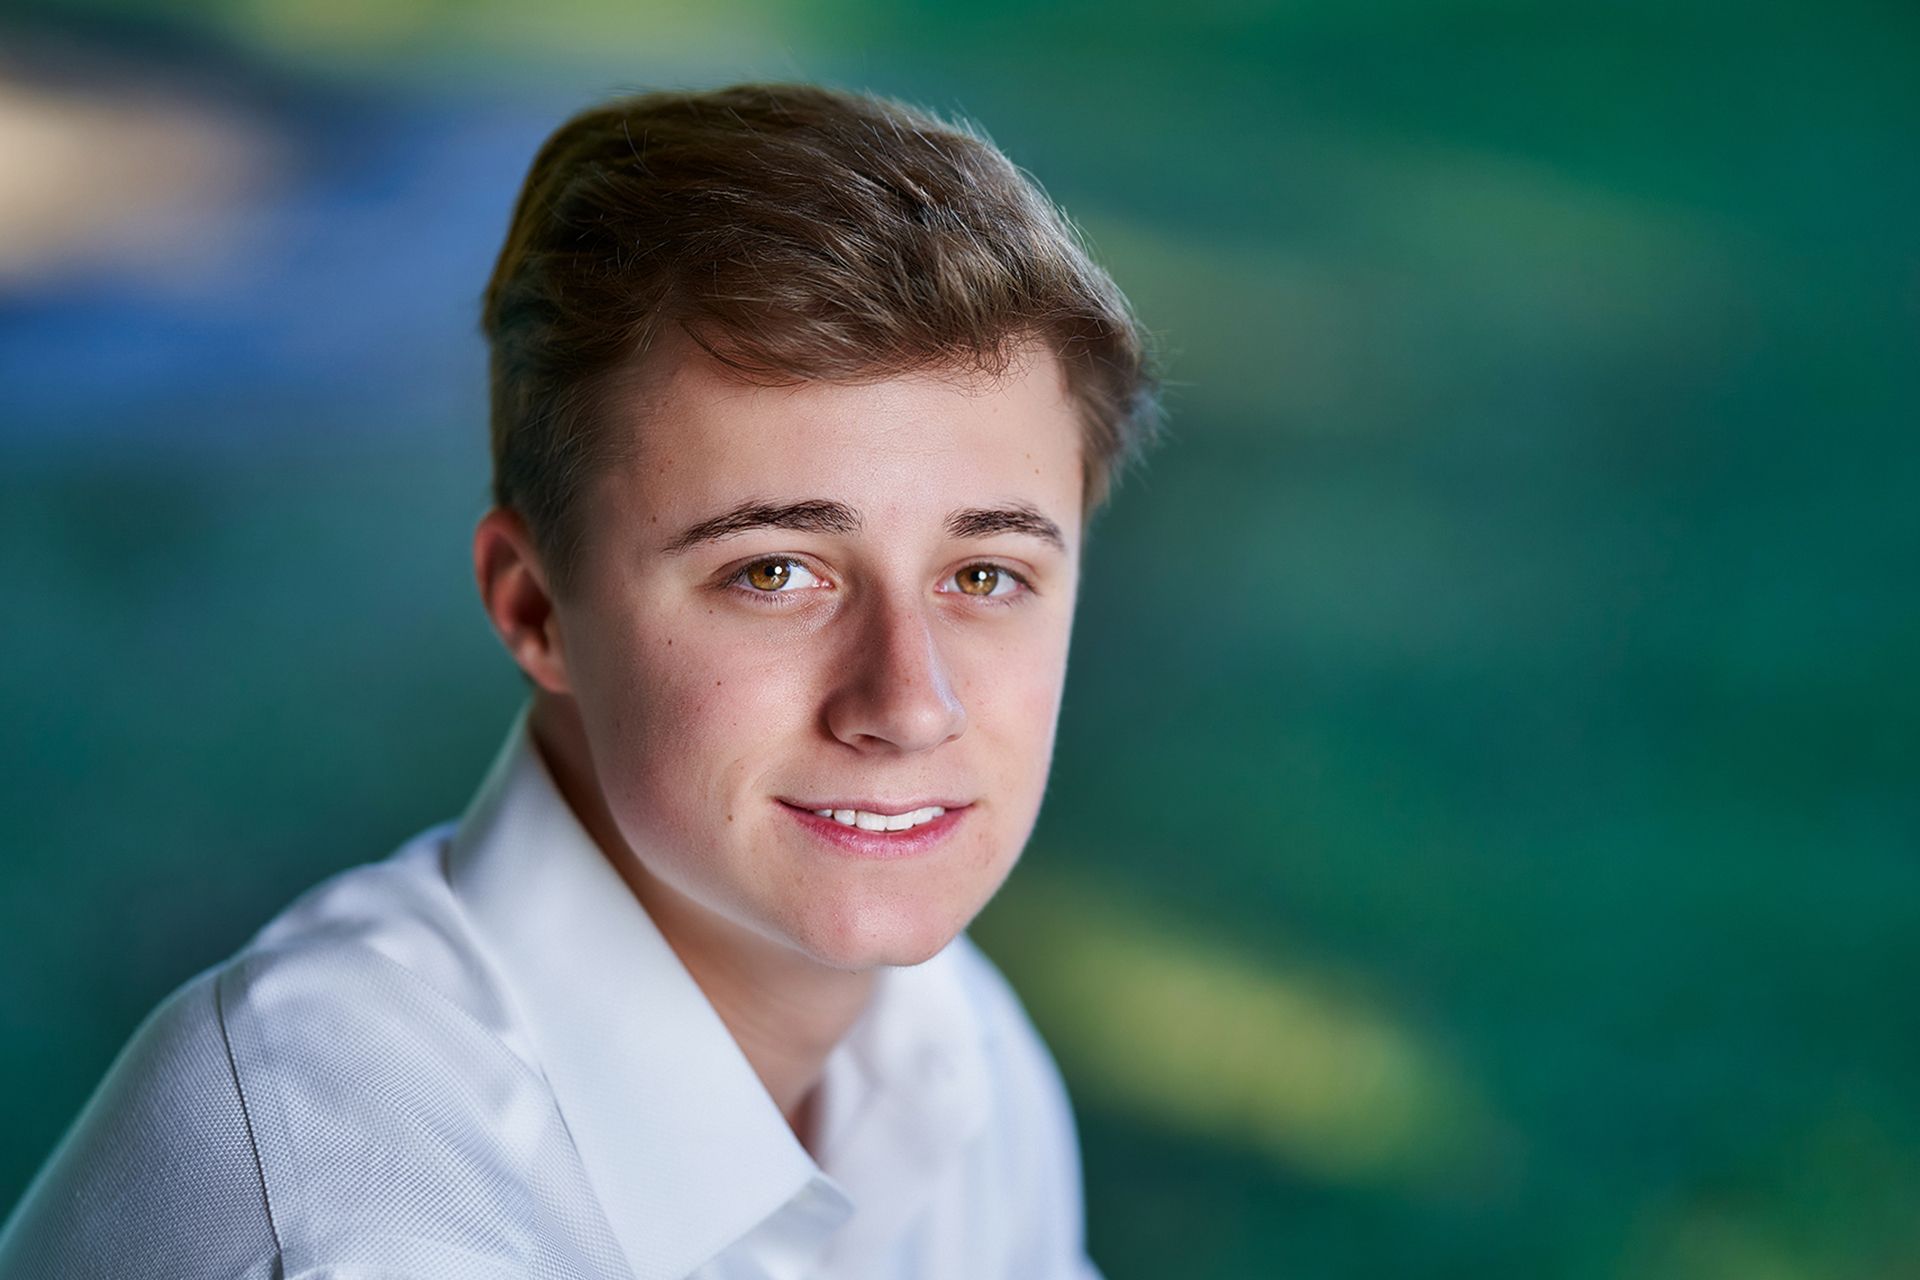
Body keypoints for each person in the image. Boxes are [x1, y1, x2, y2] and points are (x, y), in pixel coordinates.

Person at [0, 81, 1160, 1278]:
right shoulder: (368, 1218)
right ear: (536, 606)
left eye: (986, 575)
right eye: (774, 571)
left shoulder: (953, 1045)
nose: (911, 702)